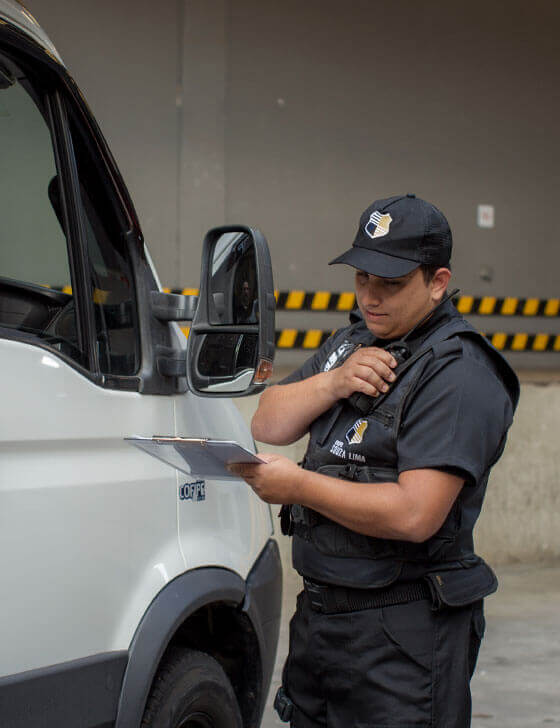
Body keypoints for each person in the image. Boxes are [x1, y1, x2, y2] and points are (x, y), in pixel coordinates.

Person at [230, 194, 519, 728]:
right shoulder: (350, 343)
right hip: (322, 623)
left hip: (403, 637)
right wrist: (333, 382)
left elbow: (415, 513)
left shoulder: (459, 373)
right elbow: (267, 423)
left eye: (390, 283)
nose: (370, 296)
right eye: (362, 277)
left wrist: (297, 486)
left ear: (437, 282)